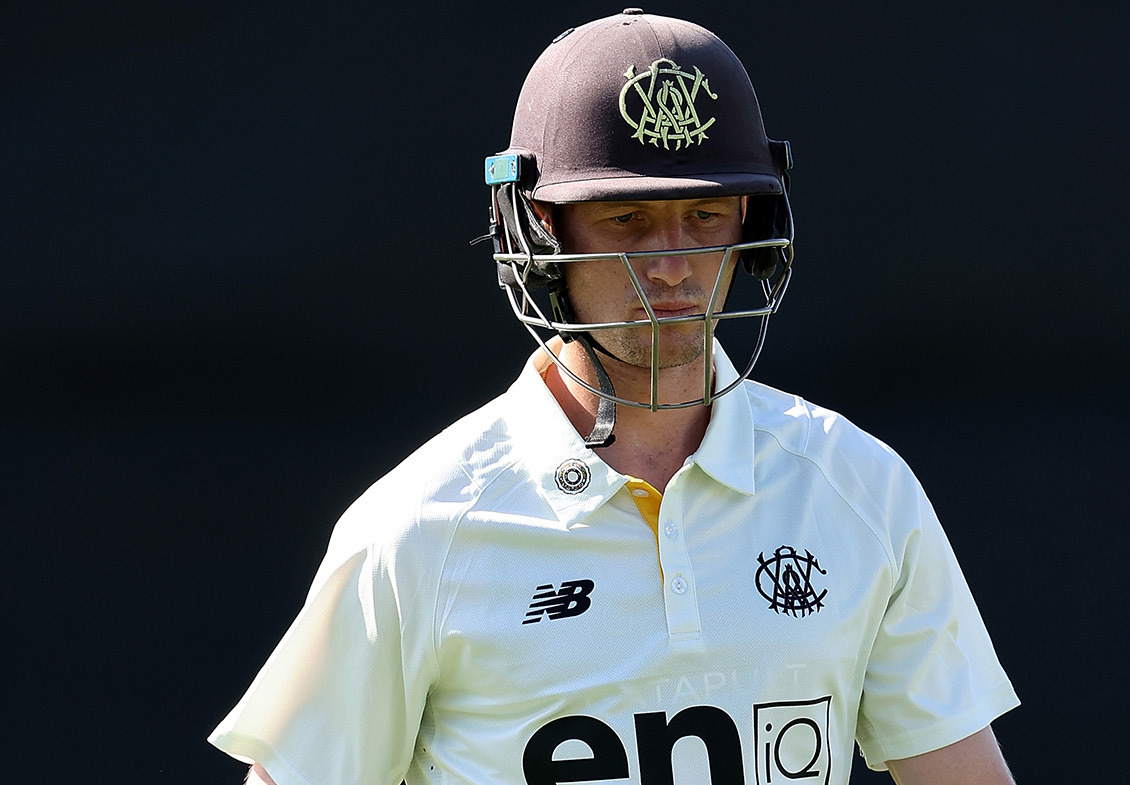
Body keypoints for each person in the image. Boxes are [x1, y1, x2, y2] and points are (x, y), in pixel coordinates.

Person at [209, 9, 1019, 785]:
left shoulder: (861, 491)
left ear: (752, 219)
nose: (672, 264)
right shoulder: (418, 529)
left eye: (705, 216)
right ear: (539, 232)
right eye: (627, 219)